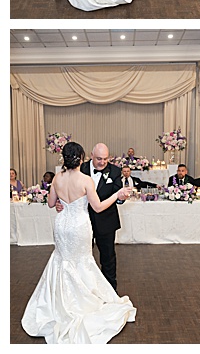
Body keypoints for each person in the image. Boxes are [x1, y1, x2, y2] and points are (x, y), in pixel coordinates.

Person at [22, 142, 135, 343]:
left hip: (62, 226)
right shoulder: (85, 179)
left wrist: (59, 202)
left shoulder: (57, 177)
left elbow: (49, 203)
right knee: (83, 261)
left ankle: (60, 303)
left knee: (62, 260)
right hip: (80, 226)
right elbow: (98, 207)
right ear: (84, 158)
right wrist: (117, 195)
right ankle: (84, 301)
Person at [63, 143, 125, 292]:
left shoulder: (115, 171)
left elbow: (118, 195)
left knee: (108, 258)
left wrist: (121, 197)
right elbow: (67, 187)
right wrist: (61, 203)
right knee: (82, 257)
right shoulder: (80, 168)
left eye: (105, 159)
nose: (102, 162)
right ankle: (83, 291)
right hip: (83, 222)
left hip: (106, 221)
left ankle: (110, 291)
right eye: (98, 158)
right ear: (91, 156)